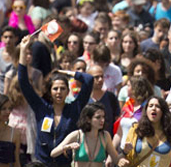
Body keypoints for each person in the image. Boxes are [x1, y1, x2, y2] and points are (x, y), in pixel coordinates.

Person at [18, 36, 94, 166]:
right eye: (55, 89)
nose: (59, 92)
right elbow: (23, 82)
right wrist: (22, 51)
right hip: (42, 162)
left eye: (62, 88)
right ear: (50, 91)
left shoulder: (74, 108)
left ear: (67, 91)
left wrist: (67, 72)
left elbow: (89, 80)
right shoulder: (41, 107)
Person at [119, 96, 171, 167]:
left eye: (157, 106)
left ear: (163, 111)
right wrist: (122, 158)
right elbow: (126, 157)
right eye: (150, 106)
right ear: (146, 110)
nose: (153, 108)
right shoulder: (136, 130)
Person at [51, 103, 119, 167]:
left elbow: (116, 159)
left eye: (103, 117)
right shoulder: (77, 135)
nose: (102, 120)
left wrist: (124, 153)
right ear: (88, 119)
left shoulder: (105, 136)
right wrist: (67, 147)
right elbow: (53, 153)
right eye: (98, 117)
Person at [88, 65, 121, 136]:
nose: (100, 80)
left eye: (102, 77)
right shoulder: (84, 98)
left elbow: (117, 119)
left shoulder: (110, 97)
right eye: (96, 77)